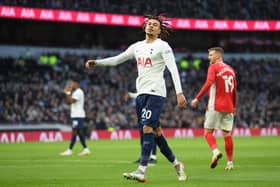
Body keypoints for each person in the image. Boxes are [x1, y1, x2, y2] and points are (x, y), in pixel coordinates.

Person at [85, 14, 187, 182]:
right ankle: (177, 164)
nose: (151, 26)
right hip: (141, 94)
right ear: (144, 27)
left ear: (160, 30)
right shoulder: (137, 47)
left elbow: (173, 69)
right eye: (149, 23)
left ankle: (141, 170)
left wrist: (179, 92)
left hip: (156, 93)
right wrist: (97, 62)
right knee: (156, 133)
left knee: (146, 128)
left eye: (155, 25)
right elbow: (117, 60)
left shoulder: (163, 46)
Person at [191, 47, 237, 170]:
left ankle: (215, 151)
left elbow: (209, 82)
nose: (209, 57)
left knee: (207, 132)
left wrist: (197, 98)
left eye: (211, 55)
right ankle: (230, 163)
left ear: (218, 56)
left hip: (215, 105)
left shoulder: (213, 67)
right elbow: (234, 91)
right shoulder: (231, 70)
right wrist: (234, 105)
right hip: (229, 106)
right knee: (227, 134)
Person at [124, 92, 157, 165]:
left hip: (150, 114)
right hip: (142, 116)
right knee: (142, 137)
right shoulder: (143, 92)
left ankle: (153, 156)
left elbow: (141, 94)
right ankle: (144, 156)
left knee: (151, 135)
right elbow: (139, 94)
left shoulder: (151, 92)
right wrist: (129, 95)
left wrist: (129, 95)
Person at [60, 78, 90, 156]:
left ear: (76, 83)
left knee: (75, 131)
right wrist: (68, 93)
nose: (71, 85)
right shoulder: (75, 92)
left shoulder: (78, 92)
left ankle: (70, 150)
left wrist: (67, 93)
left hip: (78, 115)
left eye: (72, 83)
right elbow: (68, 102)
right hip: (76, 115)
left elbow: (71, 101)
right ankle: (85, 149)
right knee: (78, 132)